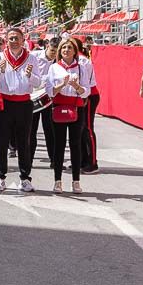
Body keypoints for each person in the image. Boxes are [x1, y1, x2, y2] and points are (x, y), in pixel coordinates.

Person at [0, 27, 43, 193]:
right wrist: (1, 70)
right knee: (2, 141)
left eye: (17, 38)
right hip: (4, 102)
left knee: (24, 142)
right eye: (11, 38)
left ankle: (25, 178)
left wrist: (29, 76)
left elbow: (38, 83)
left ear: (23, 40)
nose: (14, 41)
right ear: (6, 40)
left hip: (24, 103)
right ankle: (0, 177)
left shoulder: (32, 58)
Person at [47, 38, 93, 193]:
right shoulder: (54, 67)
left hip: (76, 107)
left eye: (69, 48)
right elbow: (49, 91)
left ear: (75, 51)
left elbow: (87, 91)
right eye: (63, 47)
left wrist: (76, 86)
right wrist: (62, 85)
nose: (66, 50)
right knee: (58, 145)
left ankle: (76, 181)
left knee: (75, 144)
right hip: (59, 106)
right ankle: (57, 181)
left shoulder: (81, 68)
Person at [28, 38, 59, 167]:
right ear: (47, 46)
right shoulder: (34, 56)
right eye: (52, 51)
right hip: (32, 96)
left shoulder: (58, 62)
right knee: (31, 130)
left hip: (48, 98)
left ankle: (54, 160)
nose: (53, 54)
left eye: (56, 52)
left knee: (50, 130)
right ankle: (28, 160)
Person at [77, 37, 100, 174]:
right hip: (80, 96)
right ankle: (82, 160)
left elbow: (86, 83)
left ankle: (92, 162)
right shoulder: (75, 59)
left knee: (88, 128)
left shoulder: (82, 60)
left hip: (89, 95)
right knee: (79, 129)